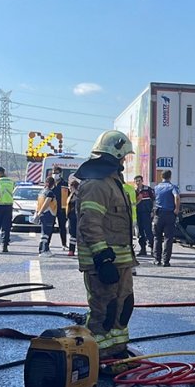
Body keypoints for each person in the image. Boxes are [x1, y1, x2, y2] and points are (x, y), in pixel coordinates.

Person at [74, 130, 137, 363]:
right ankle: (97, 356)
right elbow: (89, 223)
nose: (125, 161)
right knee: (104, 310)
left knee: (124, 306)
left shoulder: (113, 182)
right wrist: (102, 257)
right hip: (103, 263)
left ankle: (117, 349)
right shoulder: (97, 185)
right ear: (115, 154)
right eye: (124, 156)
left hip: (121, 262)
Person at [152, 170, 179, 267]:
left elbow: (153, 199)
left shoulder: (156, 187)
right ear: (170, 177)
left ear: (161, 177)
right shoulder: (172, 187)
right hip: (169, 214)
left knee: (157, 237)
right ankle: (166, 261)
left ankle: (157, 259)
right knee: (168, 238)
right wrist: (177, 209)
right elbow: (177, 196)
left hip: (158, 214)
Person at [34, 175, 60, 257]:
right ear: (53, 184)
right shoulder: (49, 193)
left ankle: (46, 249)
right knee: (45, 234)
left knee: (45, 233)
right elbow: (46, 203)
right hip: (48, 214)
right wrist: (40, 213)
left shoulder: (41, 192)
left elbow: (38, 204)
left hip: (43, 214)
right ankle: (42, 250)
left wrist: (37, 213)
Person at [134, 175, 154, 256]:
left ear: (142, 181)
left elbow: (154, 199)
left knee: (148, 231)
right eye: (136, 181)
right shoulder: (134, 191)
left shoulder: (148, 189)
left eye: (139, 180)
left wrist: (153, 210)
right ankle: (143, 249)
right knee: (140, 232)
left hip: (147, 213)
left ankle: (153, 249)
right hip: (138, 213)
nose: (138, 182)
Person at [52, 166, 70, 250]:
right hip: (52, 208)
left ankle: (64, 244)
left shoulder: (64, 184)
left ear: (60, 174)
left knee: (62, 227)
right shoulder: (50, 183)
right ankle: (46, 245)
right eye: (53, 173)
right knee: (49, 227)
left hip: (62, 209)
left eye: (56, 173)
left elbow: (69, 196)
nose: (54, 175)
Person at [66, 176, 80, 257]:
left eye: (70, 187)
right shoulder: (71, 195)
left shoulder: (79, 195)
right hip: (71, 217)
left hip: (77, 217)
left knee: (78, 234)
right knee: (72, 234)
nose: (69, 188)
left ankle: (77, 249)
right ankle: (71, 250)